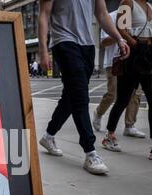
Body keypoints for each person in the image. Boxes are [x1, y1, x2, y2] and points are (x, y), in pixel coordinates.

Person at [38, 0, 130, 174]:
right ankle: (90, 152)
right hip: (64, 42)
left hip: (87, 46)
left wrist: (119, 38)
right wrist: (43, 50)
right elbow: (44, 14)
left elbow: (102, 15)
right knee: (80, 97)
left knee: (70, 96)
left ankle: (48, 136)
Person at [103, 0, 152, 160]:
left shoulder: (151, 7)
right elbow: (121, 28)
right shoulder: (128, 2)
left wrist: (151, 47)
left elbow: (150, 29)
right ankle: (109, 136)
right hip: (133, 55)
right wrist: (136, 45)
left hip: (149, 55)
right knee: (123, 100)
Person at [93, 10, 146, 138]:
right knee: (113, 94)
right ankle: (98, 113)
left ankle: (129, 126)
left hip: (134, 62)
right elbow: (103, 42)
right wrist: (120, 35)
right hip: (115, 61)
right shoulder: (110, 17)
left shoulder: (138, 17)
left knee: (136, 94)